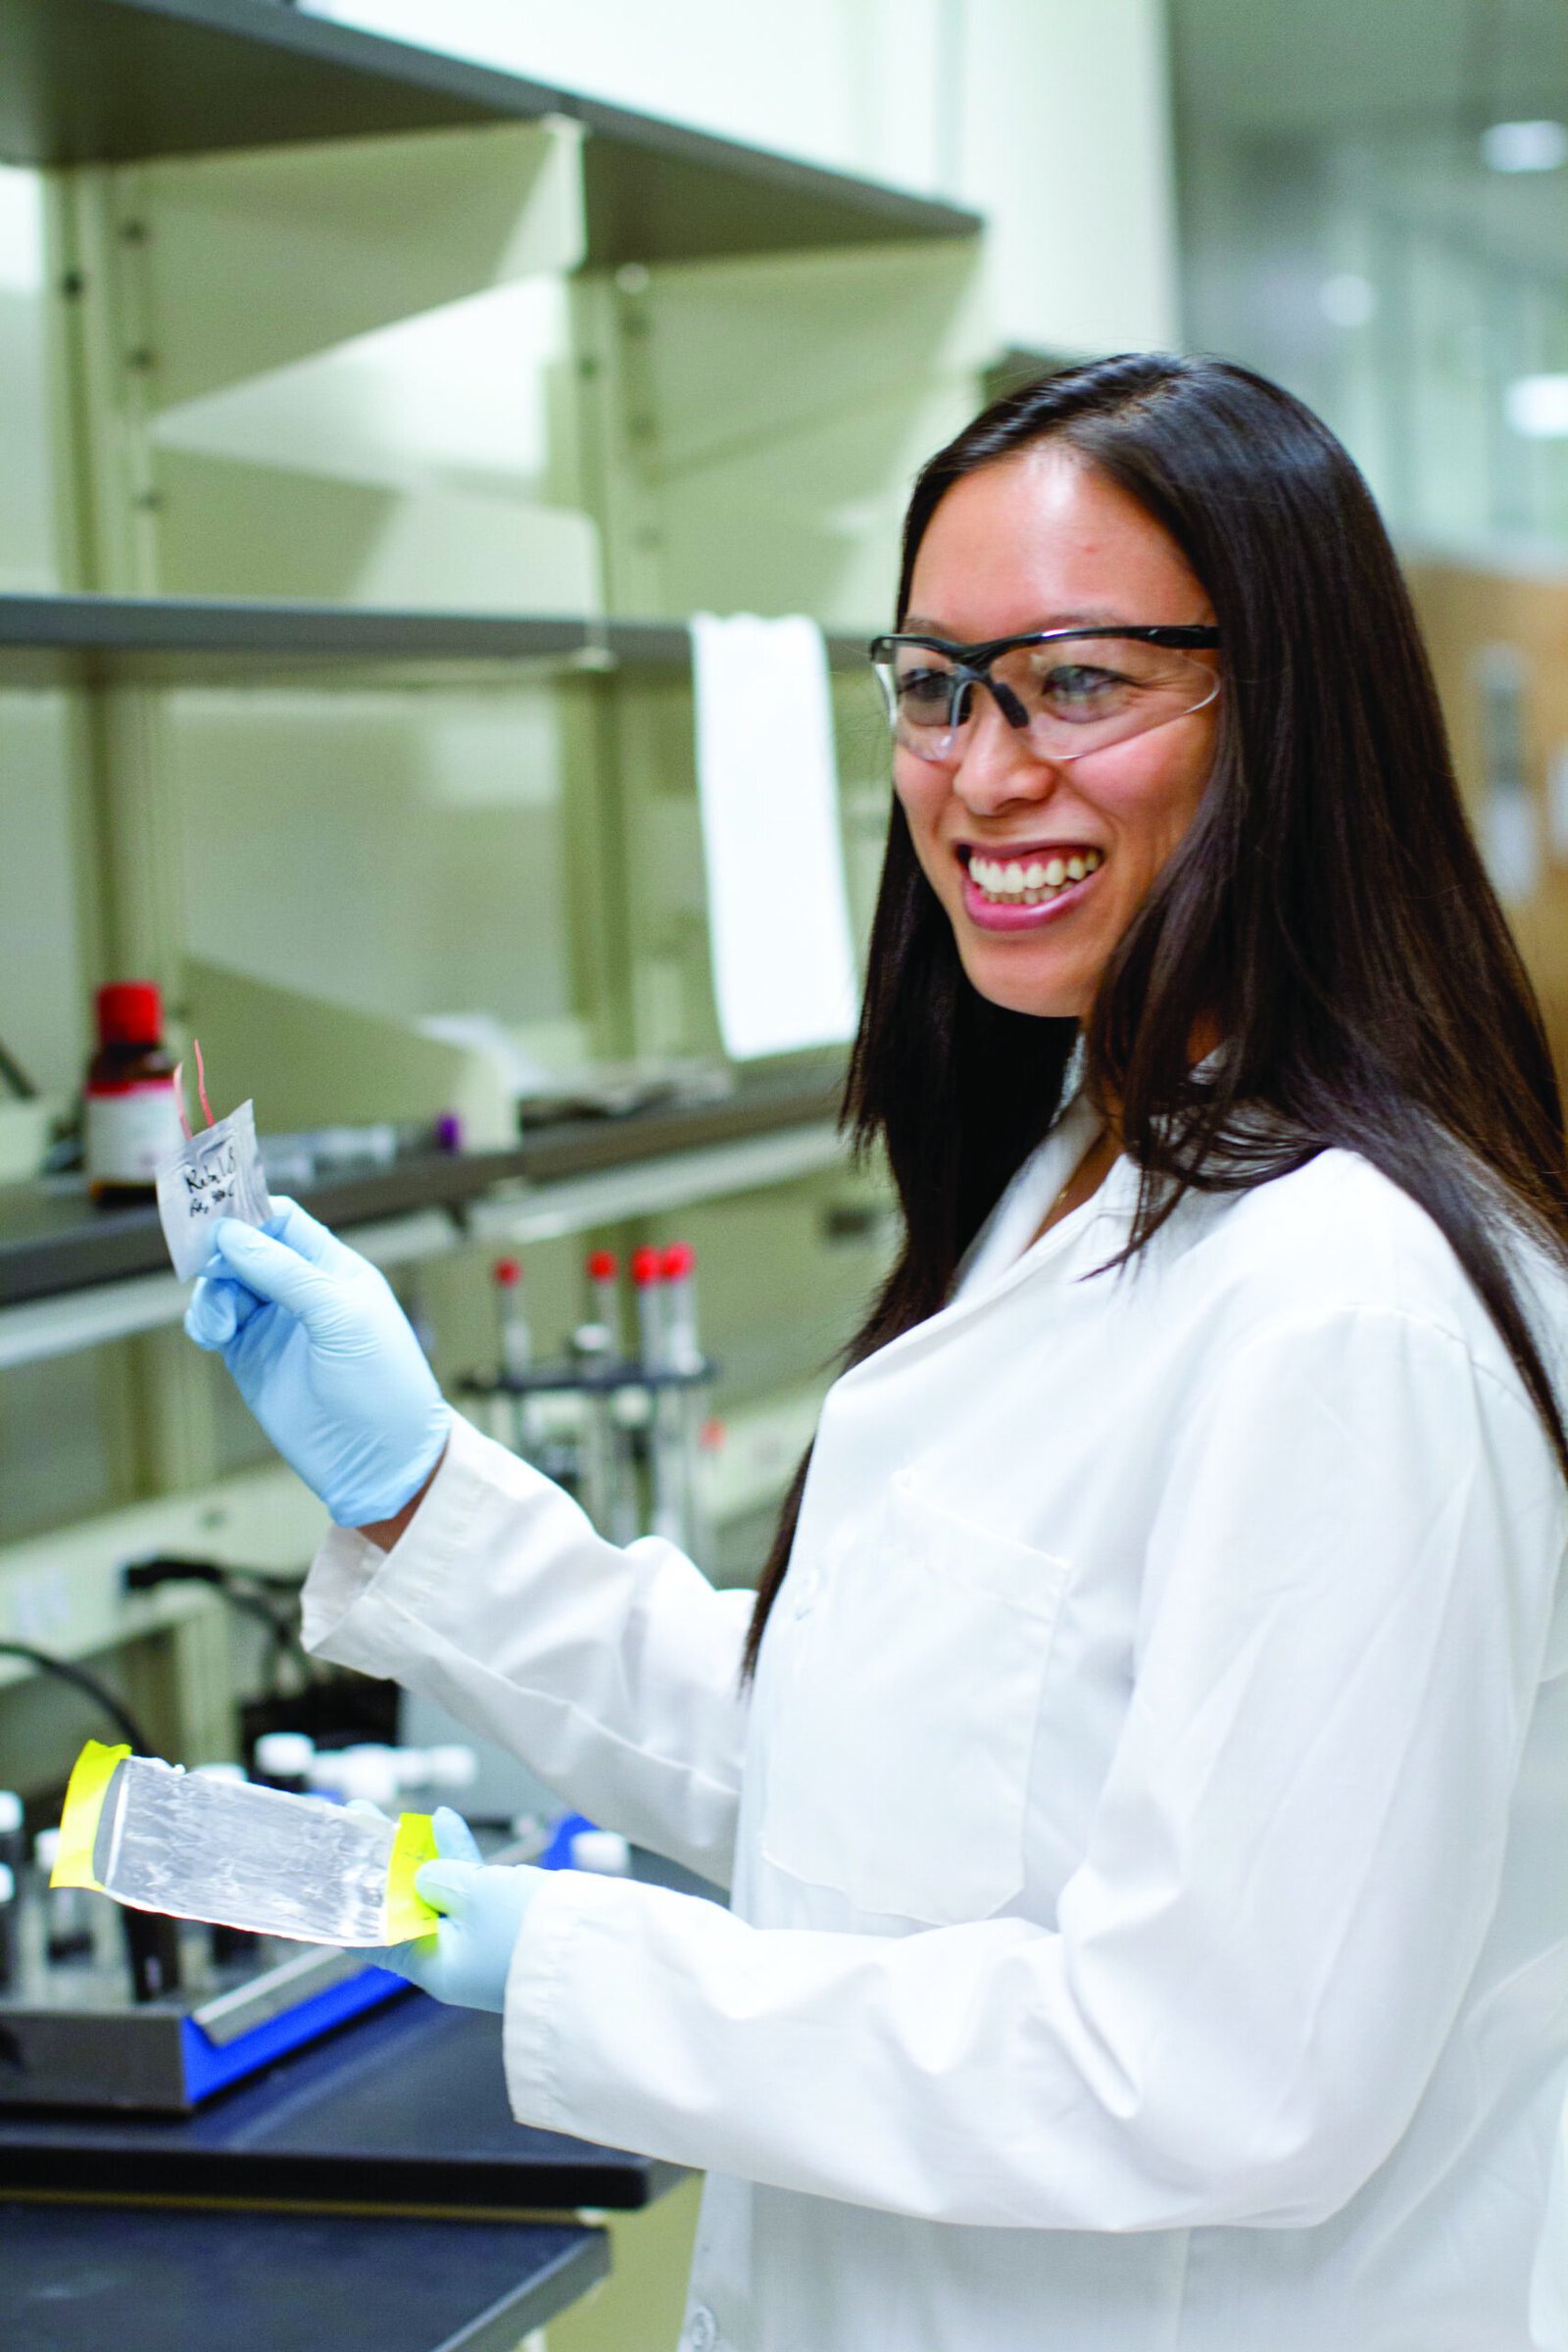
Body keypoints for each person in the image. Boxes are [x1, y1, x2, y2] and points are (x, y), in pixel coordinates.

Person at [187, 354, 1568, 2352]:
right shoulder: (1076, 1167)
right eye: (934, 686)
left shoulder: (1346, 1307)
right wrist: (417, 1499)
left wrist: (569, 1960)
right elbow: (871, 1784)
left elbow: (1208, 2073)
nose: (980, 773)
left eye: (1074, 683)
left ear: (1286, 708)